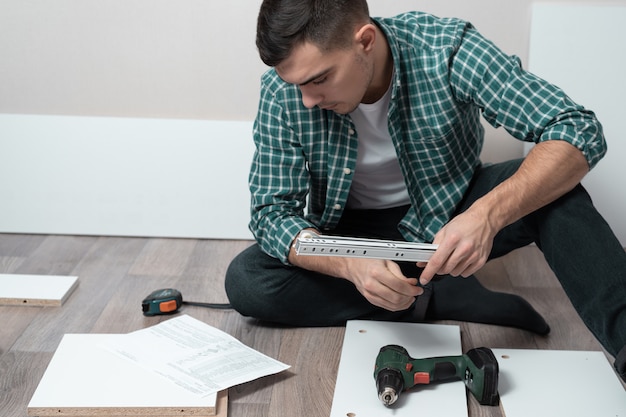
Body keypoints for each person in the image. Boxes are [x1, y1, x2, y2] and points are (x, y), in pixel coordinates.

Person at [225, 0, 626, 381]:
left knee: (558, 195)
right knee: (247, 280)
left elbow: (576, 130)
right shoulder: (283, 94)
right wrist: (348, 264)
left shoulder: (446, 49)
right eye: (295, 84)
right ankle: (435, 295)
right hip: (350, 234)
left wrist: (485, 217)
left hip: (451, 212)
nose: (308, 100)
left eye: (319, 79)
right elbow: (272, 213)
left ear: (364, 41)